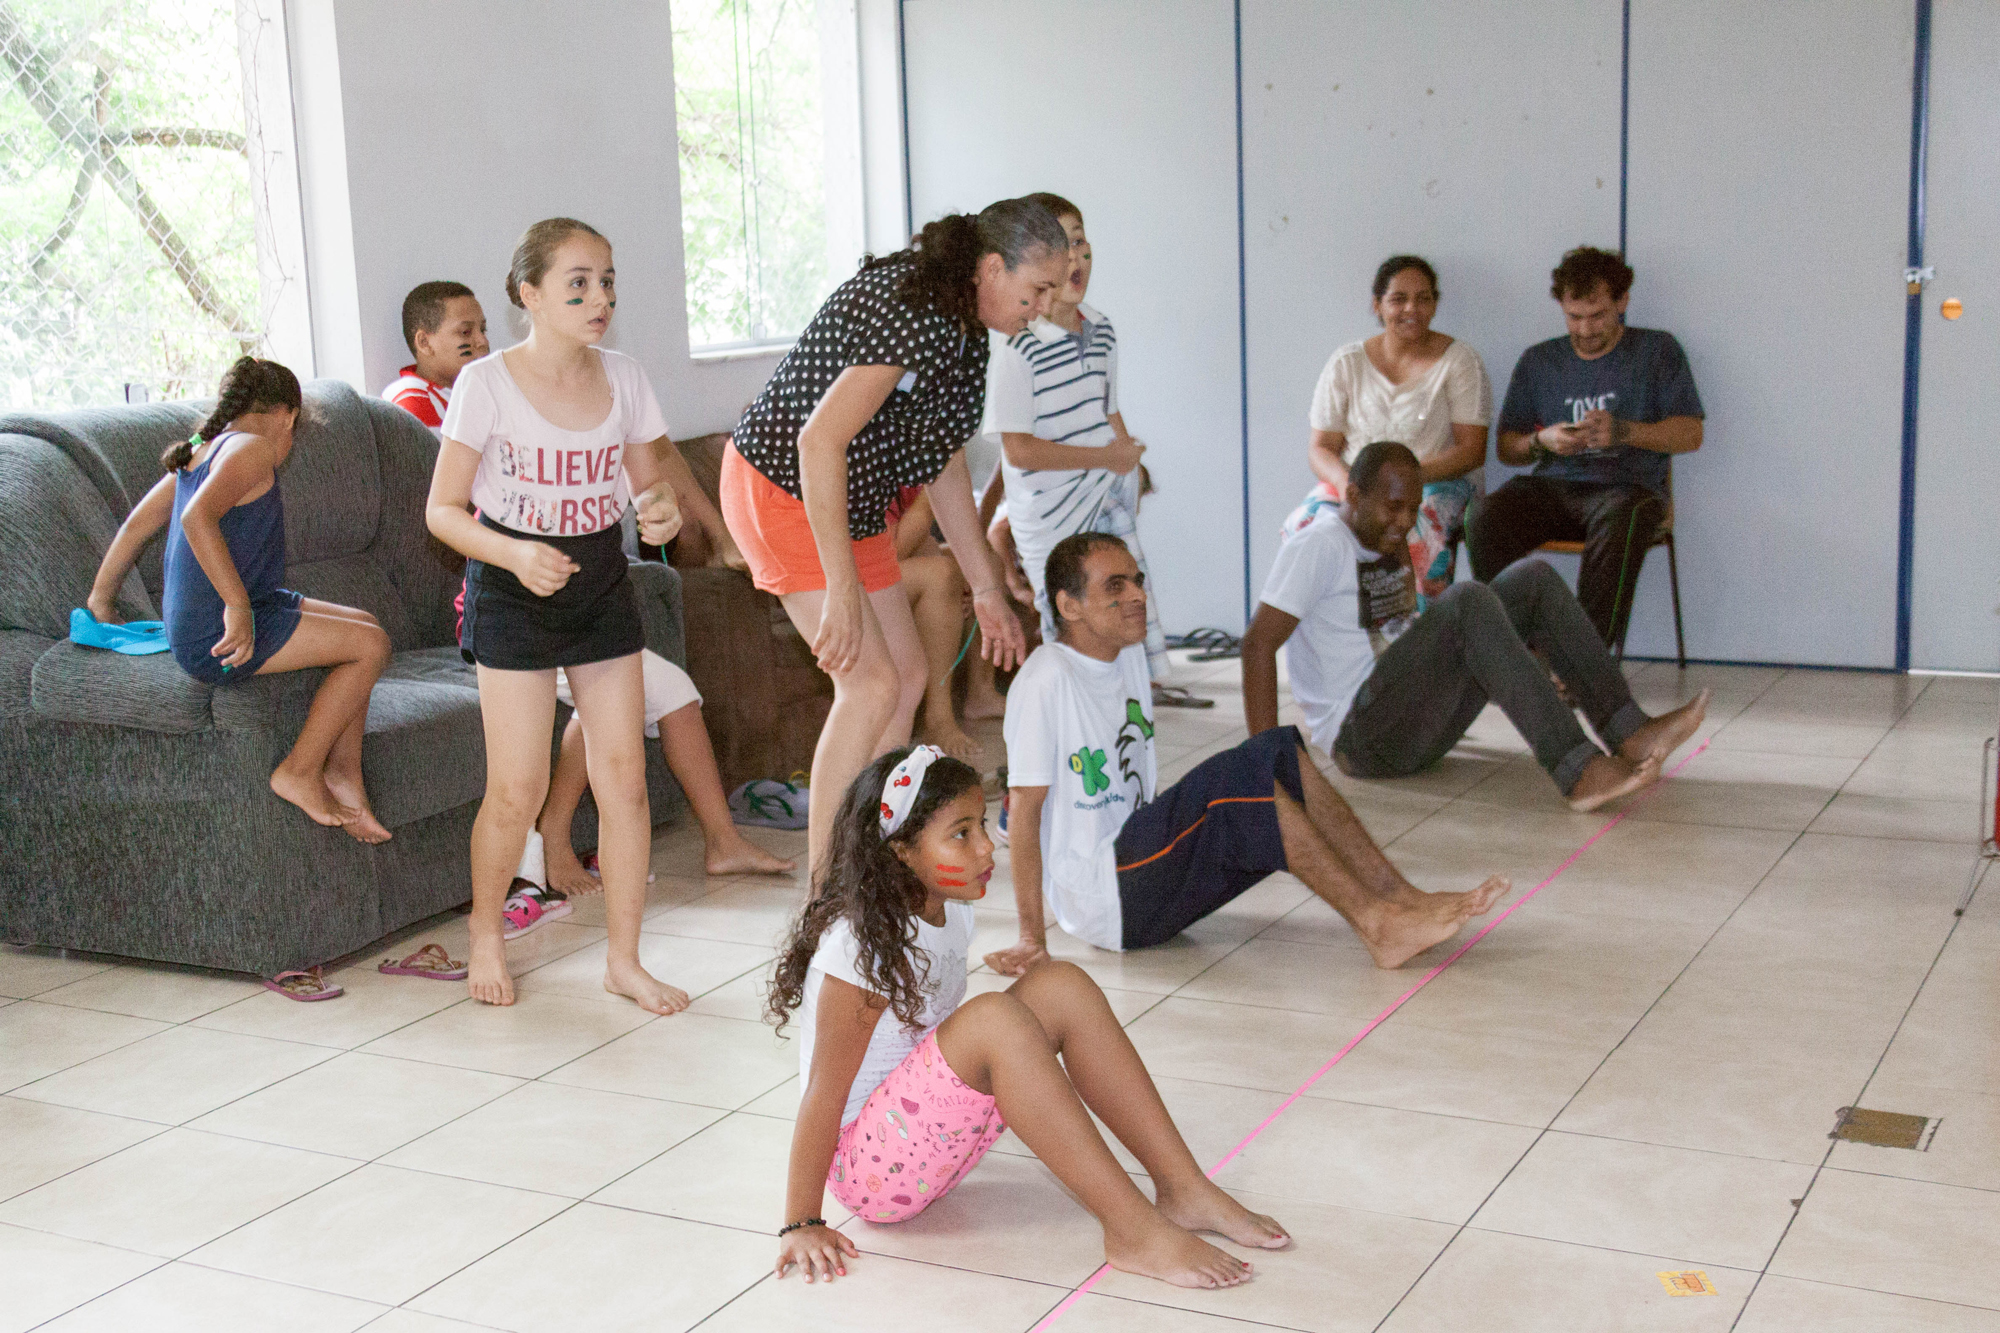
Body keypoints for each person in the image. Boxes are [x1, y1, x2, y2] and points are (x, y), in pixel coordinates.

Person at [768, 745, 1289, 1289]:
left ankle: (1183, 1187)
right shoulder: (861, 946)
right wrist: (801, 1221)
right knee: (994, 1016)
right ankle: (1131, 1229)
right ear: (900, 851)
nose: (987, 847)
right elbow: (824, 1095)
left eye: (983, 826)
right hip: (869, 1173)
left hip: (920, 1142)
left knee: (1063, 985)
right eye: (961, 834)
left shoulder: (952, 911)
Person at [723, 199, 1069, 871]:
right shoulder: (914, 308)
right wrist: (843, 585)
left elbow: (939, 463)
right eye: (1038, 290)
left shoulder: (966, 327)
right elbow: (818, 439)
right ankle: (828, 889)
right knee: (871, 683)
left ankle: (868, 856)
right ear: (993, 267)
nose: (1045, 306)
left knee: (907, 672)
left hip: (849, 497)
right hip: (782, 485)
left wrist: (986, 588)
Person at [990, 532, 1506, 975]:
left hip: (1138, 861)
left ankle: (1399, 897)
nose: (1137, 596)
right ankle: (1378, 926)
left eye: (1137, 580)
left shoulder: (1125, 659)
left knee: (1274, 748)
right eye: (1115, 586)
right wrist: (1032, 936)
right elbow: (1026, 814)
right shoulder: (1045, 681)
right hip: (1104, 897)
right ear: (1069, 606)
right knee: (1240, 778)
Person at [424, 217, 687, 1012]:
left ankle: (624, 959)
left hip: (600, 580)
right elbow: (442, 512)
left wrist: (664, 512)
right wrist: (513, 554)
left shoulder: (626, 377)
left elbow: (654, 487)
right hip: (513, 588)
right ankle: (483, 934)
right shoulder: (487, 384)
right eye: (578, 283)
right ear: (529, 295)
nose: (598, 297)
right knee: (517, 785)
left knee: (625, 779)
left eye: (607, 280)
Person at [1244, 442, 1711, 813]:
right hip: (1362, 741)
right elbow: (1257, 646)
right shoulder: (1318, 546)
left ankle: (1629, 731)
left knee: (1532, 579)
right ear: (1352, 495)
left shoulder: (1385, 534)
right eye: (1391, 508)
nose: (1404, 522)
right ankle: (1578, 772)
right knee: (1468, 600)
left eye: (1411, 509)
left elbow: (1399, 634)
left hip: (1410, 719)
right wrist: (1265, 767)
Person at [87, 357, 393, 844]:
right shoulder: (253, 449)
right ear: (288, 415)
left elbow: (135, 525)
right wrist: (238, 606)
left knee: (366, 625)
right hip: (216, 630)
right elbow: (196, 518)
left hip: (241, 606)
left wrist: (100, 601)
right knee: (370, 648)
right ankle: (299, 770)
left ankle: (345, 773)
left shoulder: (200, 450)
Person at [986, 193, 1188, 696]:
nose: (1074, 259)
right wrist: (1106, 457)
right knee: (1075, 639)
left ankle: (1130, 721)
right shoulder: (1018, 345)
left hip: (1105, 504)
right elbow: (1019, 451)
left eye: (1080, 243)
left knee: (1125, 619)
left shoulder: (1102, 328)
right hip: (1050, 520)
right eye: (1061, 247)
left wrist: (1126, 467)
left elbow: (1109, 410)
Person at [1467, 246, 1704, 647]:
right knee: (1485, 516)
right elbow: (1507, 449)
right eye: (1574, 317)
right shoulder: (1539, 361)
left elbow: (1690, 434)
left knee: (1622, 516)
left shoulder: (1657, 350)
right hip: (1553, 489)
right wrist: (1543, 442)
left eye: (1598, 316)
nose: (1586, 330)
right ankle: (1521, 649)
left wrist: (1625, 432)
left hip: (1629, 490)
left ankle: (1581, 660)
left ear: (1623, 302)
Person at [1286, 255, 1488, 608]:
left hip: (1432, 484)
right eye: (1398, 299)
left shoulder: (1460, 361)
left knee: (1411, 535)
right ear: (1377, 305)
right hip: (1354, 482)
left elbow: (1471, 451)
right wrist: (1350, 485)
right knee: (1305, 526)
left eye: (1423, 298)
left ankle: (1412, 644)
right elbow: (1321, 448)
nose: (1412, 308)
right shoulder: (1347, 362)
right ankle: (1332, 635)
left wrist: (1401, 483)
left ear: (1435, 304)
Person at [881, 484, 985, 762]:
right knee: (942, 576)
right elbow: (890, 552)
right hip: (844, 578)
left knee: (977, 565)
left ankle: (981, 693)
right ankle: (938, 720)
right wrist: (929, 497)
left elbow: (921, 541)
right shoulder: (870, 455)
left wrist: (959, 585)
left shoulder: (903, 465)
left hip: (879, 568)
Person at [381, 281, 491, 429]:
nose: (482, 341)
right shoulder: (411, 399)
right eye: (465, 332)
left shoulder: (479, 392)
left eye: (483, 330)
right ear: (424, 342)